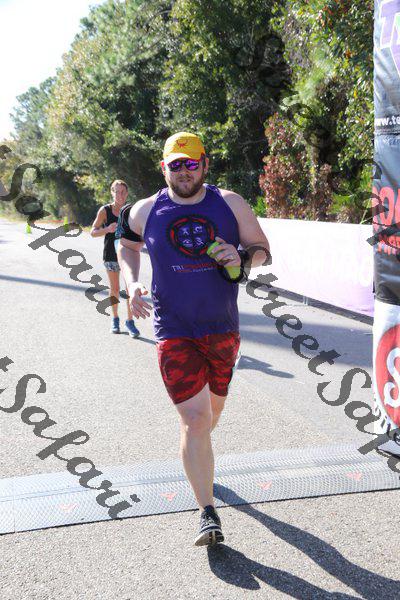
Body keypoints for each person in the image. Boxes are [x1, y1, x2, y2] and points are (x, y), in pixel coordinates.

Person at [116, 132, 270, 546]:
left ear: (204, 164)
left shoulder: (231, 203)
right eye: (175, 164)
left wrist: (243, 257)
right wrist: (132, 284)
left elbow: (262, 249)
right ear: (163, 168)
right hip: (173, 330)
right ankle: (207, 512)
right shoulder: (145, 210)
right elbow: (125, 245)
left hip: (222, 328)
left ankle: (199, 450)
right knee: (196, 419)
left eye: (190, 163)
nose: (183, 171)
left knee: (211, 413)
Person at [90, 179, 140, 337]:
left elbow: (139, 230)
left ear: (127, 193)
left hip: (128, 254)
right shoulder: (105, 210)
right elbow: (93, 232)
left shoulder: (131, 210)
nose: (120, 195)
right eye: (117, 192)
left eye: (123, 192)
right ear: (112, 193)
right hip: (111, 254)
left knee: (130, 288)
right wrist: (107, 229)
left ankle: (130, 322)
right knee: (115, 289)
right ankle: (115, 319)